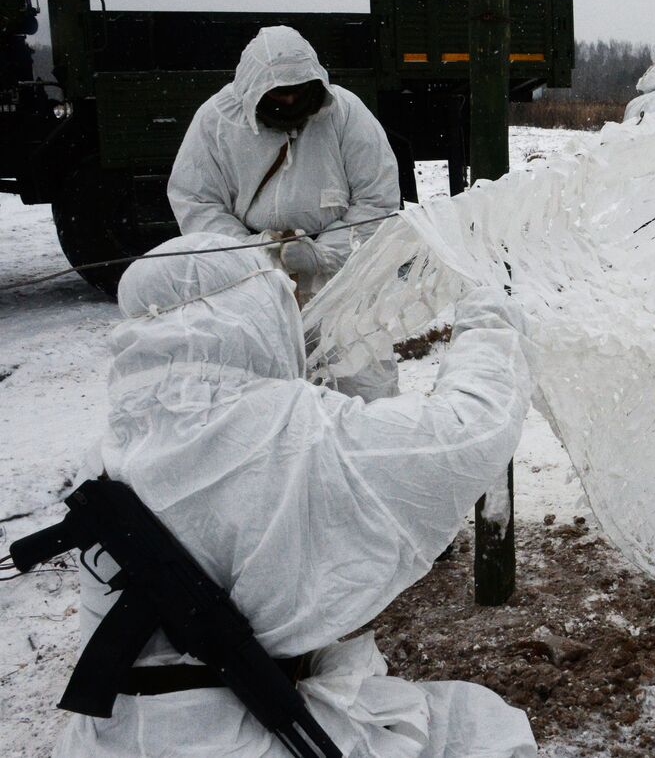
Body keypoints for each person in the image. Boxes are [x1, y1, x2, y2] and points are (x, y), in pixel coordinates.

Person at [55, 232, 538, 758]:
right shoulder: (289, 431)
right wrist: (490, 316)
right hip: (238, 731)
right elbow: (471, 430)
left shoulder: (117, 440)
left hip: (118, 734)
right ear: (252, 312)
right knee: (484, 730)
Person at [168, 25, 401, 399]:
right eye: (279, 95)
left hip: (341, 285)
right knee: (268, 398)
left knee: (364, 391)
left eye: (298, 94)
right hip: (253, 290)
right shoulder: (216, 123)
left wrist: (324, 252)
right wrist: (257, 251)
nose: (290, 102)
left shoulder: (344, 114)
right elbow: (196, 201)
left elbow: (378, 199)